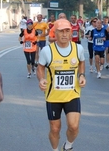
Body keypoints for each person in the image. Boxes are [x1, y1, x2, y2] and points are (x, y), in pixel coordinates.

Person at [36, 19, 86, 151]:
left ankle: (68, 146)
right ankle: (55, 149)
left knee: (74, 126)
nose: (64, 34)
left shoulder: (78, 48)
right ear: (54, 33)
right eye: (61, 31)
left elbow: (81, 62)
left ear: (71, 33)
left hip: (72, 94)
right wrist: (41, 79)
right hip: (53, 96)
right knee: (55, 128)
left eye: (67, 31)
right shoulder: (47, 51)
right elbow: (40, 68)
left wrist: (81, 75)